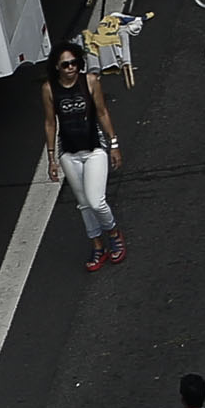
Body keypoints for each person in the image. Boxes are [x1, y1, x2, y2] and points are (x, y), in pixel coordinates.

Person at [39, 42, 124, 269]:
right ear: (57, 67)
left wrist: (113, 144)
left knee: (97, 201)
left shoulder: (90, 81)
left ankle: (114, 234)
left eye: (74, 63)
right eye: (66, 64)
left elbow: (103, 112)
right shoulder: (49, 89)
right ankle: (98, 245)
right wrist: (52, 159)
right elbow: (50, 124)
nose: (71, 68)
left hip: (94, 148)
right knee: (84, 204)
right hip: (69, 153)